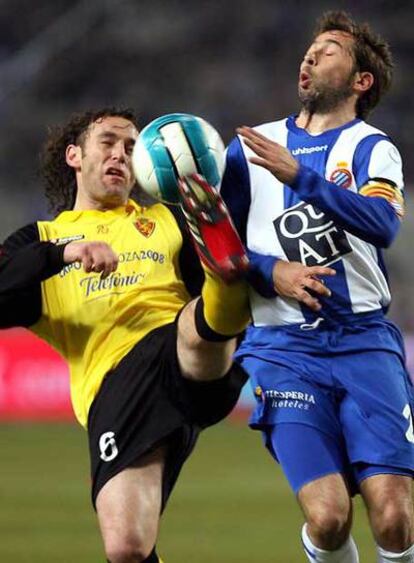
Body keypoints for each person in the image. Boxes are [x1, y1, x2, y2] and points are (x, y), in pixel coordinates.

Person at [0, 108, 331, 563]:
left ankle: (223, 276)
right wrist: (64, 253)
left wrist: (273, 273)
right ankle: (223, 283)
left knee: (197, 330)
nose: (121, 154)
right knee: (127, 546)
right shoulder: (44, 238)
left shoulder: (166, 220)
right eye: (109, 142)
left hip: (185, 352)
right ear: (74, 156)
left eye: (132, 148)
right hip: (117, 388)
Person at [220, 10, 414, 563]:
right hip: (284, 349)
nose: (310, 54)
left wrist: (299, 178)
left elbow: (383, 225)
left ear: (361, 81)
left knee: (396, 517)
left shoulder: (372, 148)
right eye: (310, 47)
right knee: (328, 518)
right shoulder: (251, 150)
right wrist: (270, 272)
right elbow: (218, 251)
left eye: (328, 49)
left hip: (364, 342)